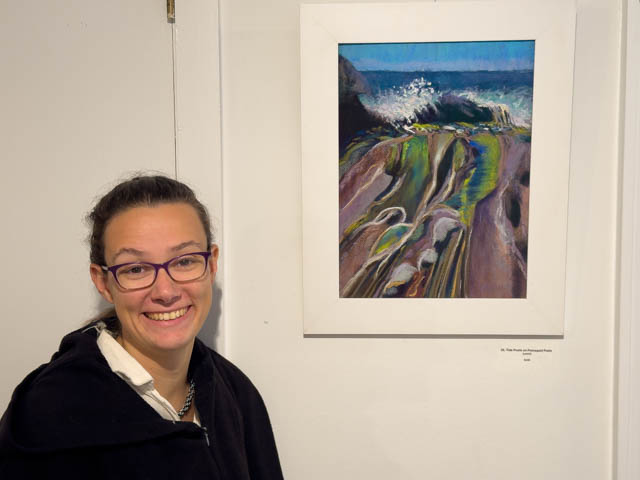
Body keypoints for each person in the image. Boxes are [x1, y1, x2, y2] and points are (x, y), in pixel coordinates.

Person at [0, 174, 284, 479]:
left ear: (211, 264)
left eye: (185, 261)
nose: (165, 291)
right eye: (135, 269)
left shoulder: (235, 392)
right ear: (103, 282)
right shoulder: (46, 415)